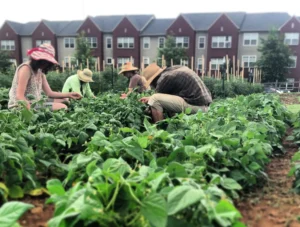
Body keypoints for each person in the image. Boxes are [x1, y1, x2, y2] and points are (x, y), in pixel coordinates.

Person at [8, 43, 82, 110]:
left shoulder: (40, 71)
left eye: (47, 62)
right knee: (62, 107)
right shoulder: (26, 69)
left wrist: (69, 94)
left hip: (35, 102)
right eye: (44, 61)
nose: (45, 64)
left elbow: (49, 93)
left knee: (65, 100)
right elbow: (19, 96)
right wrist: (29, 112)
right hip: (20, 106)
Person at [140, 63, 212, 123]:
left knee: (155, 99)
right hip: (204, 106)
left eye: (151, 84)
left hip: (197, 107)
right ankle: (173, 125)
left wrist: (147, 108)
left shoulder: (164, 78)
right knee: (158, 99)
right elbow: (166, 98)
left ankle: (159, 130)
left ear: (153, 80)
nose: (152, 86)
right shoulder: (173, 70)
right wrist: (149, 99)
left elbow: (155, 101)